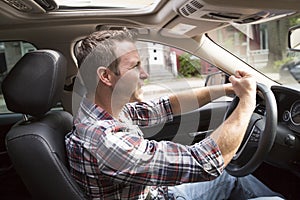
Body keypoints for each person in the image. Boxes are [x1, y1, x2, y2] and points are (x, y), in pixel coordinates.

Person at [65, 28, 284, 200]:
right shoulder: (105, 141)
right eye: (135, 66)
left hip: (155, 193)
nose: (145, 73)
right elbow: (206, 163)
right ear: (106, 76)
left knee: (232, 179)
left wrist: (227, 89)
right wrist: (247, 102)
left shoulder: (101, 113)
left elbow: (166, 106)